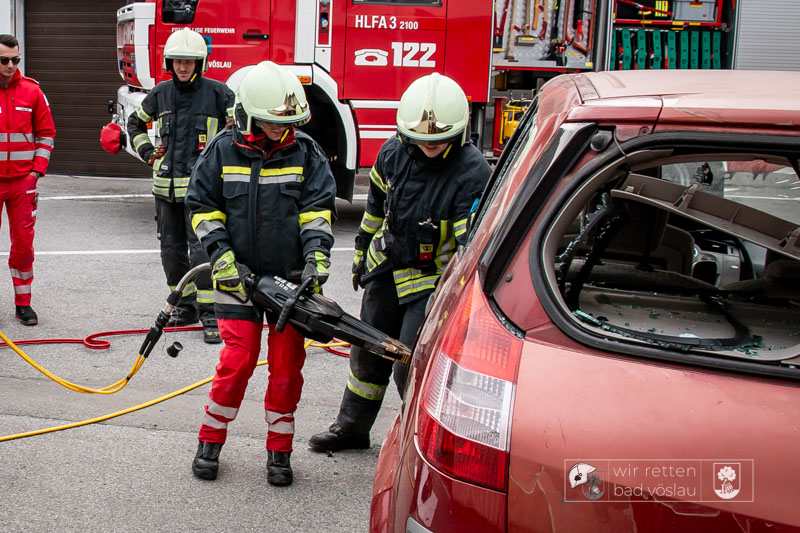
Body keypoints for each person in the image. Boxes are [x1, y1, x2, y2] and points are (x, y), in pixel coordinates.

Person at [309, 73, 491, 453]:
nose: (430, 144)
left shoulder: (472, 171)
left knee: (411, 364)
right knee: (367, 352)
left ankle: (422, 442)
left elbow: (469, 244)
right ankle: (352, 429)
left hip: (432, 278)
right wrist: (361, 252)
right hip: (387, 268)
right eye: (421, 138)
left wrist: (459, 294)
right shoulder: (392, 153)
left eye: (439, 139)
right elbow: (376, 208)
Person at [186, 61, 337, 485]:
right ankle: (210, 440)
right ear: (247, 116)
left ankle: (280, 451)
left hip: (291, 280)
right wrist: (222, 258)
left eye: (288, 123)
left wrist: (316, 259)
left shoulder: (306, 152)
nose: (281, 130)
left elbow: (317, 212)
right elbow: (202, 208)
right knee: (238, 361)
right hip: (237, 277)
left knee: (286, 367)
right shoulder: (221, 151)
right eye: (273, 122)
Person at [127, 28, 234, 344]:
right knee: (171, 252)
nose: (183, 67)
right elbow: (136, 123)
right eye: (177, 61)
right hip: (166, 191)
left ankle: (211, 314)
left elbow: (240, 129)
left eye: (189, 61)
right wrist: (148, 151)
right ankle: (185, 307)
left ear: (200, 63)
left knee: (203, 251)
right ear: (169, 63)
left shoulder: (219, 94)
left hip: (203, 193)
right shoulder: (160, 94)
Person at [0, 34, 55, 326]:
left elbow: (46, 134)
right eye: (4, 60)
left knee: (23, 246)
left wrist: (36, 172)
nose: (10, 65)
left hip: (23, 181)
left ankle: (23, 304)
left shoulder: (32, 91)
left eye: (15, 60)